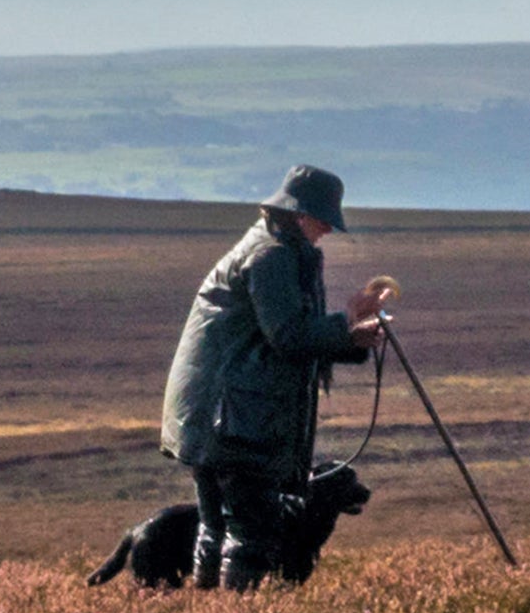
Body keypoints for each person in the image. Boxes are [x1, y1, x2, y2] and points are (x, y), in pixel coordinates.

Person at [159, 165, 389, 590]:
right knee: (252, 533)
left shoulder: (266, 246)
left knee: (216, 526)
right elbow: (288, 337)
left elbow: (280, 336)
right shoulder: (273, 257)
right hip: (235, 422)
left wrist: (351, 339)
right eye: (323, 221)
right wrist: (348, 322)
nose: (326, 232)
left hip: (214, 415)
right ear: (301, 216)